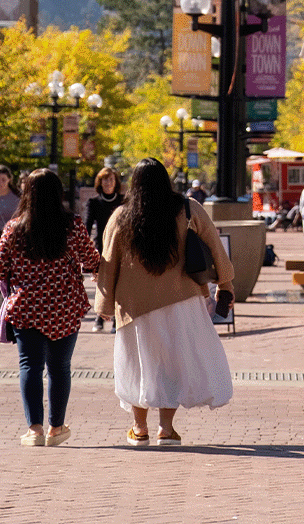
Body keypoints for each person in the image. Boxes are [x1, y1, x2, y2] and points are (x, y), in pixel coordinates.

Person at [96, 158, 235, 447]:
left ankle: (139, 427)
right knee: (172, 364)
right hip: (181, 298)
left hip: (134, 304)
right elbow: (214, 245)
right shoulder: (187, 208)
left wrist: (105, 305)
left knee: (139, 364)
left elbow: (108, 263)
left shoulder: (121, 216)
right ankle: (167, 429)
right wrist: (225, 283)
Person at [0, 169, 101, 447]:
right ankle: (56, 428)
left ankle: (35, 430)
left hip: (27, 306)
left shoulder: (15, 228)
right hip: (65, 305)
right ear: (58, 193)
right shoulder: (73, 225)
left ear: (27, 194)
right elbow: (91, 259)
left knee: (30, 365)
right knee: (60, 367)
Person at [84, 166, 125, 332]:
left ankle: (116, 319)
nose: (108, 183)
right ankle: (99, 318)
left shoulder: (123, 201)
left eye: (111, 179)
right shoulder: (94, 203)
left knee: (119, 283)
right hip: (101, 247)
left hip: (122, 246)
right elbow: (86, 227)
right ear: (99, 182)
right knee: (103, 284)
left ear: (116, 182)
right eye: (105, 180)